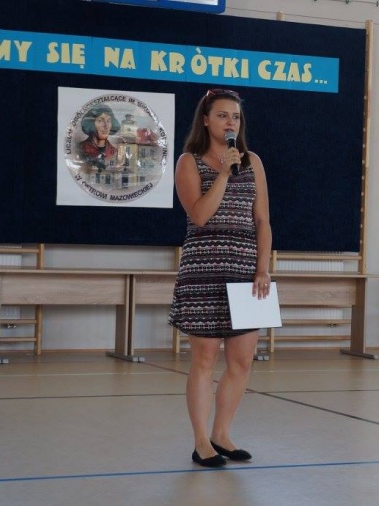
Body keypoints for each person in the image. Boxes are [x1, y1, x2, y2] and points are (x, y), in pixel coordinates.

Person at [168, 88, 272, 468]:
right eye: (223, 115)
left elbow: (262, 221)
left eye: (236, 117)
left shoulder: (253, 161)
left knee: (242, 361)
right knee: (205, 359)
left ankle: (222, 434)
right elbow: (199, 215)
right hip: (204, 271)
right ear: (206, 120)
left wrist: (262, 268)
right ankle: (201, 443)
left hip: (245, 271)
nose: (231, 123)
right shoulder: (189, 162)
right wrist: (225, 173)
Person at [78, 104, 119, 172]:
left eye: (108, 121)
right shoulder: (80, 149)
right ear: (91, 124)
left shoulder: (114, 152)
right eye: (100, 121)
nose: (106, 126)